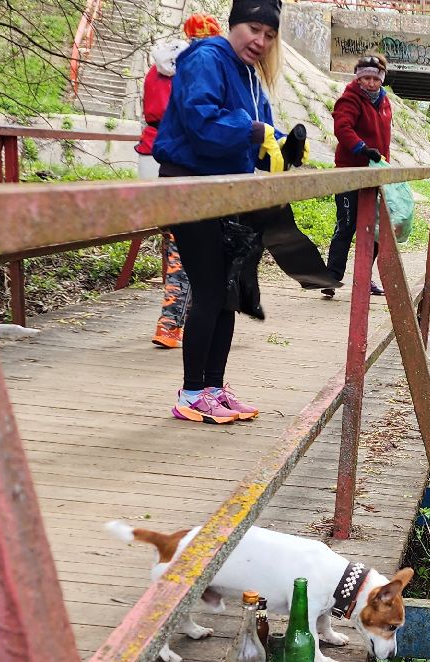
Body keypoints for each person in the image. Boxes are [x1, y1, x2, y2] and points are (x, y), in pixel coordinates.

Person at [152, 0, 296, 424]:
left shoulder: (249, 76)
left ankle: (213, 387)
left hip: (225, 190)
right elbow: (202, 121)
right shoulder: (206, 57)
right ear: (234, 25)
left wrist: (288, 145)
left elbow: (264, 131)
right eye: (254, 29)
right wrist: (253, 132)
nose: (261, 41)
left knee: (228, 291)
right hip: (190, 185)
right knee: (210, 288)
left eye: (269, 35)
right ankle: (191, 394)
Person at [137, 13, 223, 349]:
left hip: (156, 161)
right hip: (191, 166)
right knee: (186, 250)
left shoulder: (157, 69)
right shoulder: (198, 70)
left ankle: (183, 320)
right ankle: (172, 324)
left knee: (178, 243)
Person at [321, 53, 392, 300]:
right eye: (366, 78)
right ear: (358, 78)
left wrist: (385, 165)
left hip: (374, 173)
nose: (371, 83)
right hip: (349, 172)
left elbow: (385, 139)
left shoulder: (384, 102)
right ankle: (331, 277)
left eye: (375, 78)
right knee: (347, 224)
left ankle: (364, 276)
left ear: (381, 79)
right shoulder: (349, 99)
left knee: (374, 229)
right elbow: (342, 127)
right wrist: (361, 148)